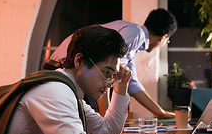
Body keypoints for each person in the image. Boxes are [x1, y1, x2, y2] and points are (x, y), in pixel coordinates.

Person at [0, 25, 196, 134]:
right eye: (106, 73)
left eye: (113, 75)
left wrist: (122, 86)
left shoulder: (71, 93)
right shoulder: (55, 91)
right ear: (80, 61)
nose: (110, 82)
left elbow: (110, 131)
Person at [45, 8, 177, 119]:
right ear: (163, 37)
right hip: (65, 70)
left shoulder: (133, 37)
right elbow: (105, 72)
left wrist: (161, 113)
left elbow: (132, 83)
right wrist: (106, 119)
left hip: (63, 68)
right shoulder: (136, 34)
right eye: (168, 41)